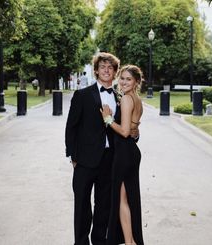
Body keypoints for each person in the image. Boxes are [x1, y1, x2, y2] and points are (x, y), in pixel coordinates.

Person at [65, 53, 138, 245]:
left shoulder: (120, 97)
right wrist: (72, 156)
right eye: (103, 66)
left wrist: (135, 133)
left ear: (114, 72)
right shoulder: (82, 95)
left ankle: (99, 240)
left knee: (104, 205)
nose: (106, 70)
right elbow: (71, 127)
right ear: (96, 70)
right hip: (84, 160)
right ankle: (81, 242)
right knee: (82, 204)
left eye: (110, 67)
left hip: (110, 159)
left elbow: (126, 128)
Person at [100, 65, 144, 245]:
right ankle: (131, 240)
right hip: (131, 151)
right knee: (128, 198)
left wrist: (108, 119)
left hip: (124, 153)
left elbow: (125, 132)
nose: (124, 82)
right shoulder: (137, 99)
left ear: (136, 82)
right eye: (122, 78)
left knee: (121, 200)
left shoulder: (126, 99)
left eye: (129, 79)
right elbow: (134, 129)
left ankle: (129, 242)